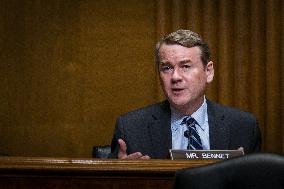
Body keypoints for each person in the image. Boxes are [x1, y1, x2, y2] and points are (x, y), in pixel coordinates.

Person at [108, 29, 261, 159]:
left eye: (185, 66)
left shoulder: (244, 126)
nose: (175, 77)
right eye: (167, 68)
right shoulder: (131, 128)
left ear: (208, 71)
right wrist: (123, 176)